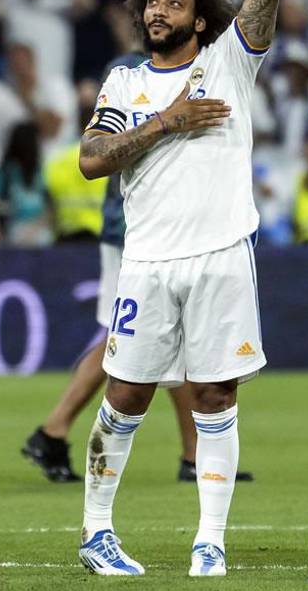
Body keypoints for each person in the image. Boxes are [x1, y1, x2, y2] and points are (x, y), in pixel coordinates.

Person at [73, 0, 283, 579]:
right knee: (126, 391)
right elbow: (91, 160)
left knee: (214, 392)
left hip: (223, 252)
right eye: (152, 0)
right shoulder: (125, 83)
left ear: (200, 21)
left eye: (174, 2)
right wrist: (166, 120)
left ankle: (210, 540)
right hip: (148, 261)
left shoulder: (228, 59)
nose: (158, 9)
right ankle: (96, 532)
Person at [22, 55, 257, 485]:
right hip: (136, 234)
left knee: (138, 338)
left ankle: (60, 432)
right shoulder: (130, 74)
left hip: (157, 234)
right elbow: (98, 152)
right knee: (126, 341)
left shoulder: (190, 68)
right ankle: (58, 429)